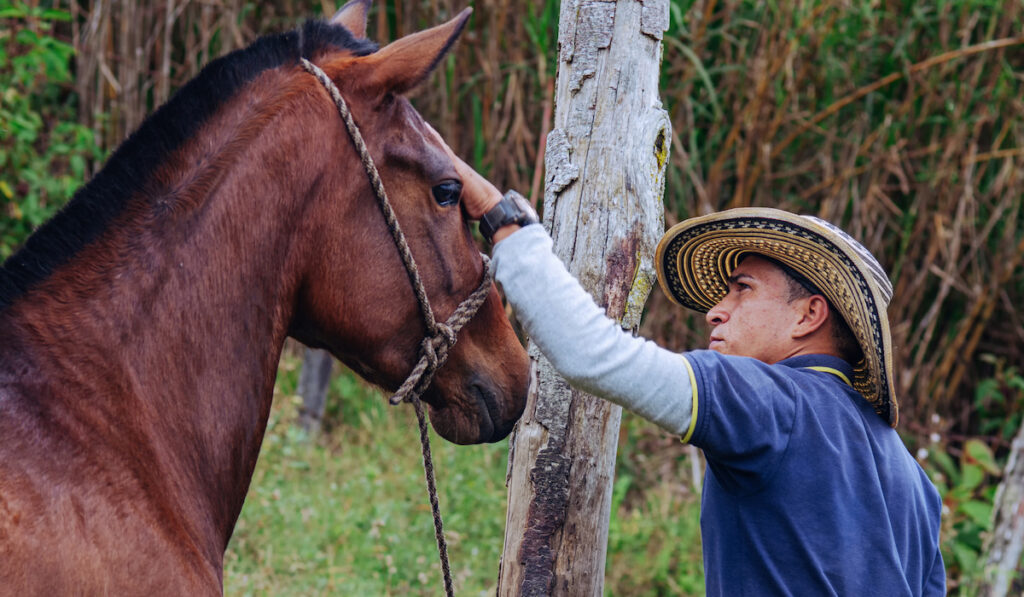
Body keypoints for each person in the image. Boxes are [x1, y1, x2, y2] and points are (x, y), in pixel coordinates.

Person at [449, 155, 946, 595]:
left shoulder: (771, 403)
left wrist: (505, 221)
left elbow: (589, 353)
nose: (715, 311)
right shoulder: (917, 484)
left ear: (808, 316)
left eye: (742, 289)